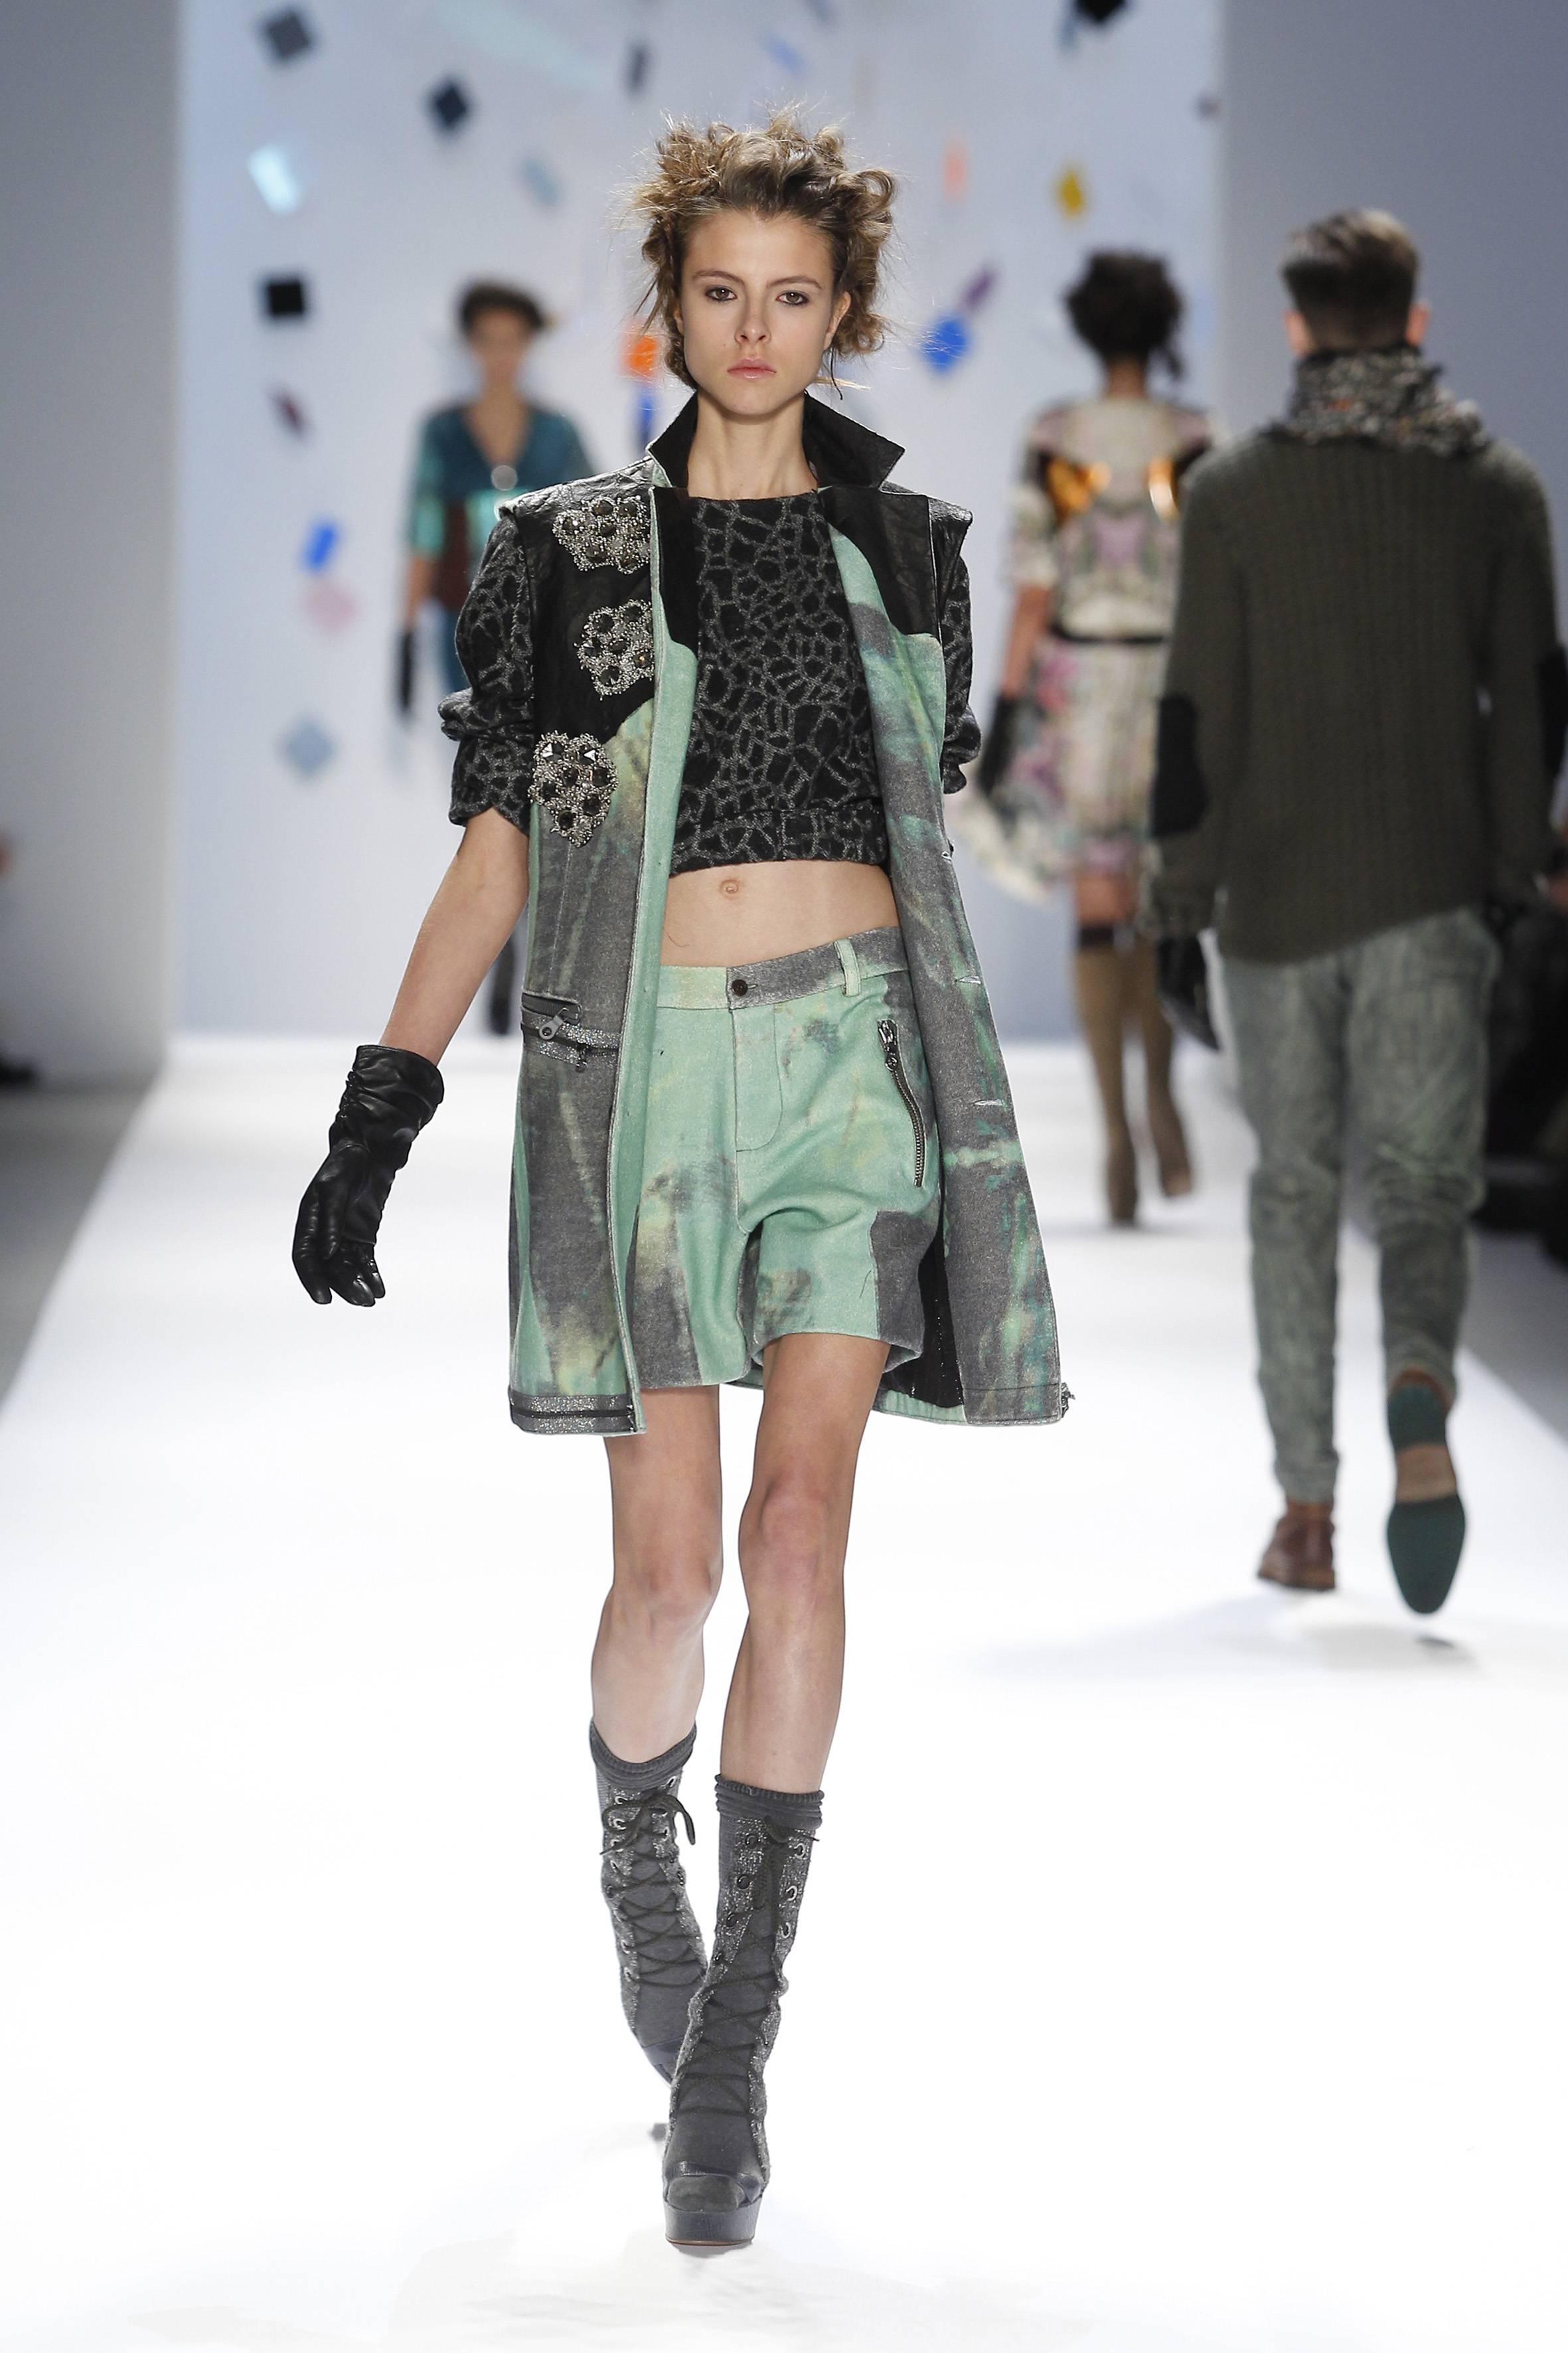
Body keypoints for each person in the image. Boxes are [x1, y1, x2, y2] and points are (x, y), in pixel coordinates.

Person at [292, 112, 1065, 2253]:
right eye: (719, 292)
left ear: (843, 314)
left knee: (799, 1529)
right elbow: (503, 842)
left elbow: (924, 821)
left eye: (791, 297)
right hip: (642, 1084)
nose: (753, 330)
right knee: (665, 1586)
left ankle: (735, 2040)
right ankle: (640, 1844)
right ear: (669, 305)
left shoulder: (905, 548)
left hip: (851, 1079)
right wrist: (382, 1101)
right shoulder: (565, 550)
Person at [1144, 208, 1565, 1615]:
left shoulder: (1231, 492)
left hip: (1274, 898)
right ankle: (1419, 1380)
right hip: (1435, 887)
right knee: (1424, 1186)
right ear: (1414, 318)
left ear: (1295, 327)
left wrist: (1177, 897)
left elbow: (1196, 709)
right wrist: (1512, 867)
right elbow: (1532, 701)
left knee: (1291, 1190)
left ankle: (1305, 1510)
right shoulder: (1494, 486)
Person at [956, 252, 1214, 1223]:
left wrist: (1004, 707)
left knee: (1097, 910)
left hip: (1075, 689)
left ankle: (1115, 1131)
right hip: (1167, 686)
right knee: (1159, 901)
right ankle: (1159, 1095)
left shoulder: (1055, 436)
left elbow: (1034, 583)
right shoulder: (1195, 439)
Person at [398, 282, 594, 1031]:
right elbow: (422, 530)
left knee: (546, 789)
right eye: (488, 339)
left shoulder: (560, 433)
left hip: (549, 635)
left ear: (529, 345)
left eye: (513, 339)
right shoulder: (442, 433)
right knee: (490, 789)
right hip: (467, 636)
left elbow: (595, 530)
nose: (500, 353)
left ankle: (522, 938)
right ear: (471, 345)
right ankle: (500, 937)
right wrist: (402, 635)